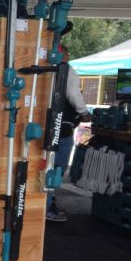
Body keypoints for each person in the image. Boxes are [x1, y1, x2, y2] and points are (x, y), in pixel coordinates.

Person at [47, 47, 92, 222]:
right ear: (67, 55)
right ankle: (48, 206)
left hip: (48, 126)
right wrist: (84, 113)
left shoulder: (47, 69)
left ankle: (46, 203)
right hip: (62, 128)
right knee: (57, 169)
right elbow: (73, 94)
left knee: (47, 166)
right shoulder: (66, 70)